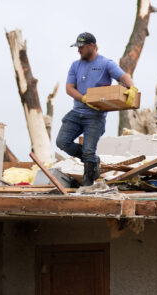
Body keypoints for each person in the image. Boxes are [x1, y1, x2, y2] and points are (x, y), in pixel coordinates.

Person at [56, 32, 137, 186]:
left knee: (88, 150)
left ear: (92, 46)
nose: (78, 50)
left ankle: (87, 184)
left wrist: (132, 88)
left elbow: (123, 76)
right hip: (77, 112)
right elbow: (69, 88)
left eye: (81, 47)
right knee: (62, 142)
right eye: (77, 47)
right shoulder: (75, 65)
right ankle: (93, 160)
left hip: (95, 116)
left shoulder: (106, 63)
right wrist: (84, 98)